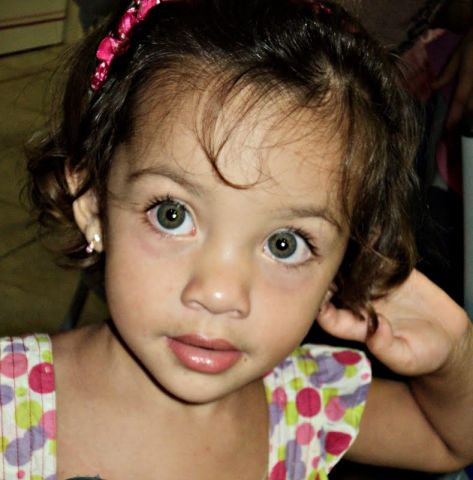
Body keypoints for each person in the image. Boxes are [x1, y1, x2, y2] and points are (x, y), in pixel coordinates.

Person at [1, 0, 472, 479]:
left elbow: (449, 440)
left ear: (342, 264)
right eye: (172, 215)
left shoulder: (302, 403)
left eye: (285, 244)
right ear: (93, 203)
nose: (220, 293)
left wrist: (457, 353)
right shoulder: (9, 404)